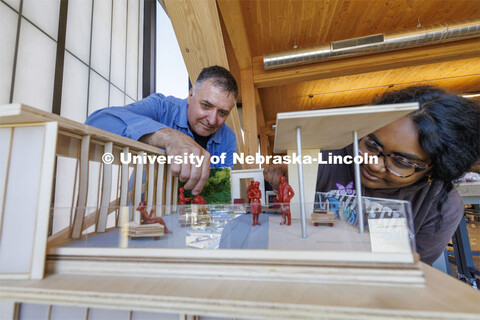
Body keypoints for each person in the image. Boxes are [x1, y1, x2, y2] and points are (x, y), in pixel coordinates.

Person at [264, 86, 480, 265]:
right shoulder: (327, 160)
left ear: (436, 168)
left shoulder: (441, 205)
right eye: (371, 144)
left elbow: (412, 275)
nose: (374, 164)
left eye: (401, 161)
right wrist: (286, 182)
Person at [86, 65, 238, 196]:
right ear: (191, 95)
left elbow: (219, 192)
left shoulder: (228, 138)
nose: (212, 120)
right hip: (140, 218)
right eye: (206, 105)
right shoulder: (161, 107)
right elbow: (96, 123)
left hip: (195, 223)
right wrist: (166, 136)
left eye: (222, 113)